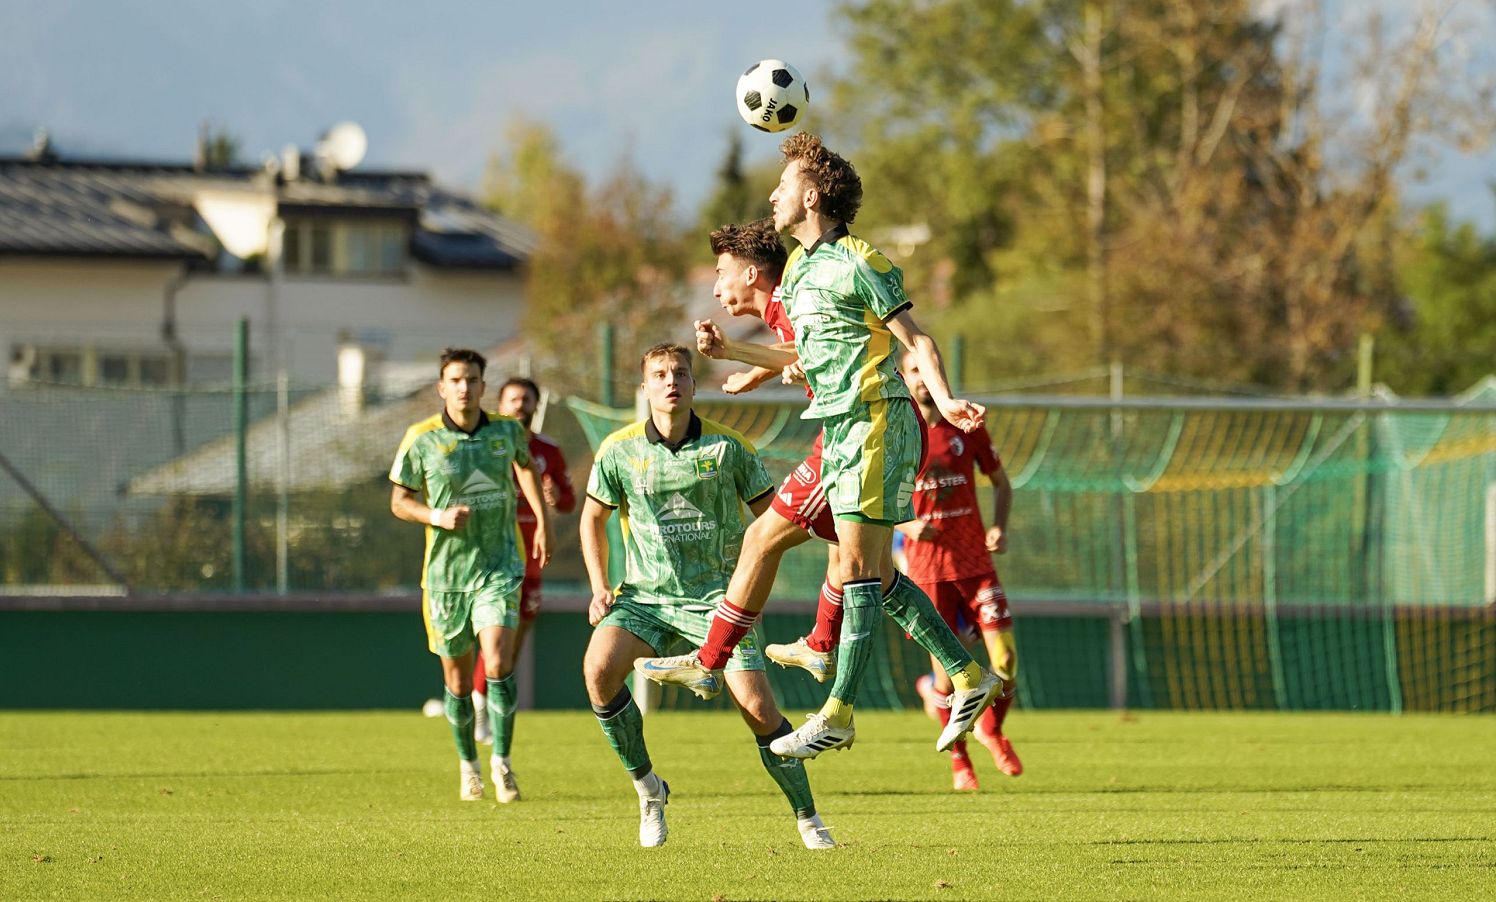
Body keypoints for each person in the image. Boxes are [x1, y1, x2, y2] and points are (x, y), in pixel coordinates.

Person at [637, 136, 998, 760]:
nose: (772, 194)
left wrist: (942, 400)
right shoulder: (801, 271)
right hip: (842, 431)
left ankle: (837, 712)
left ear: (810, 197)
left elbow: (918, 341)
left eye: (783, 185)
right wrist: (739, 356)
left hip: (878, 423)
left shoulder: (862, 261)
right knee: (861, 571)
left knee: (856, 571)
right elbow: (803, 350)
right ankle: (967, 675)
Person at [581, 343, 835, 850]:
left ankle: (810, 820)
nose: (670, 381)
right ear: (645, 388)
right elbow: (592, 517)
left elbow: (774, 521)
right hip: (646, 598)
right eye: (659, 374)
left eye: (680, 372)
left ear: (695, 385)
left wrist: (821, 541)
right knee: (598, 671)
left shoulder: (729, 447)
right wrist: (599, 586)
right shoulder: (617, 450)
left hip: (721, 599)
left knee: (759, 711)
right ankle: (649, 789)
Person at [389, 348, 552, 804]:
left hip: (499, 566)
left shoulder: (506, 430)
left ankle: (502, 761)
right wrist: (436, 516)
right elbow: (399, 500)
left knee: (498, 662)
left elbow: (526, 468)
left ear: (483, 385)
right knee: (458, 684)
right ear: (442, 387)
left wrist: (542, 521)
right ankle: (469, 766)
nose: (465, 388)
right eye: (456, 380)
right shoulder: (421, 438)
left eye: (473, 380)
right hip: (446, 578)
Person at [898, 353, 1023, 790]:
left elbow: (1002, 483)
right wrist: (906, 525)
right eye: (914, 370)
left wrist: (999, 527)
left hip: (975, 566)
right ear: (902, 377)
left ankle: (991, 730)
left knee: (1005, 660)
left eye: (929, 369)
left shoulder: (966, 427)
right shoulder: (897, 431)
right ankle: (959, 758)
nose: (924, 378)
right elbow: (868, 497)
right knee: (948, 678)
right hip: (928, 572)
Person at [472, 376, 576, 744]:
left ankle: (488, 699)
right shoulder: (484, 446)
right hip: (491, 559)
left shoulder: (548, 450)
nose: (520, 406)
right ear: (500, 406)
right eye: (513, 399)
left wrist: (554, 496)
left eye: (526, 400)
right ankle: (479, 705)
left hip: (530, 559)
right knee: (495, 635)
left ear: (535, 406)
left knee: (513, 641)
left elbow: (568, 502)